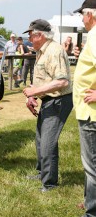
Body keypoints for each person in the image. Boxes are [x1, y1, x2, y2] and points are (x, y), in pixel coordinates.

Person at [22, 19, 73, 192]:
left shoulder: (54, 50)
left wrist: (34, 93)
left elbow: (62, 81)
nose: (29, 38)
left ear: (40, 35)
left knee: (48, 142)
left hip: (59, 100)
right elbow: (45, 79)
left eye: (30, 34)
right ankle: (43, 172)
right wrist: (33, 94)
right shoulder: (41, 51)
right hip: (49, 99)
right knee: (40, 138)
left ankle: (49, 183)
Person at [68, 0, 96, 217]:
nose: (82, 18)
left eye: (82, 14)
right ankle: (90, 201)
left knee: (91, 165)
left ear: (90, 14)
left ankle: (91, 216)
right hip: (89, 110)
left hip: (92, 112)